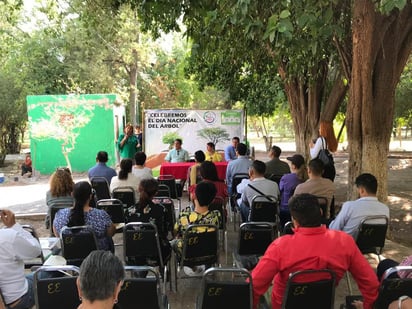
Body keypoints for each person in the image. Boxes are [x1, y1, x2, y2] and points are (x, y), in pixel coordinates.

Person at [250, 194, 379, 309]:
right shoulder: (344, 241)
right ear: (321, 212)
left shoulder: (280, 246)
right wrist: (368, 305)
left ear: (294, 221)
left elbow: (253, 287)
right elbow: (371, 284)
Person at [53, 181, 116, 251]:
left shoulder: (60, 215)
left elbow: (58, 236)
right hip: (97, 259)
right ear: (90, 196)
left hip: (70, 259)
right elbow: (111, 233)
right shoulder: (101, 215)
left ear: (72, 194)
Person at [0, 209, 42, 309]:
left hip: (8, 297)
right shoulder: (7, 236)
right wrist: (14, 226)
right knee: (52, 272)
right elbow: (36, 250)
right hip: (18, 299)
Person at [125, 178, 171, 264]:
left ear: (139, 190)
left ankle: (140, 275)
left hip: (134, 253)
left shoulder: (129, 211)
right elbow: (165, 232)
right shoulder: (161, 210)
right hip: (158, 254)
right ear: (156, 193)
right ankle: (162, 273)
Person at [329, 173, 389, 238]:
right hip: (372, 246)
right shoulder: (385, 209)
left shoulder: (350, 206)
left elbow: (334, 229)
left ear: (362, 190)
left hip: (348, 245)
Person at [172, 181, 221, 260]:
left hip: (187, 253)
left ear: (194, 196)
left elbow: (175, 231)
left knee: (173, 242)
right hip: (209, 253)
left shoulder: (184, 215)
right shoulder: (216, 216)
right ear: (212, 200)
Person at [278, 154, 307, 228]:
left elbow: (280, 190)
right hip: (300, 210)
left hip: (285, 209)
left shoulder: (285, 178)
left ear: (293, 166)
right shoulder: (305, 179)